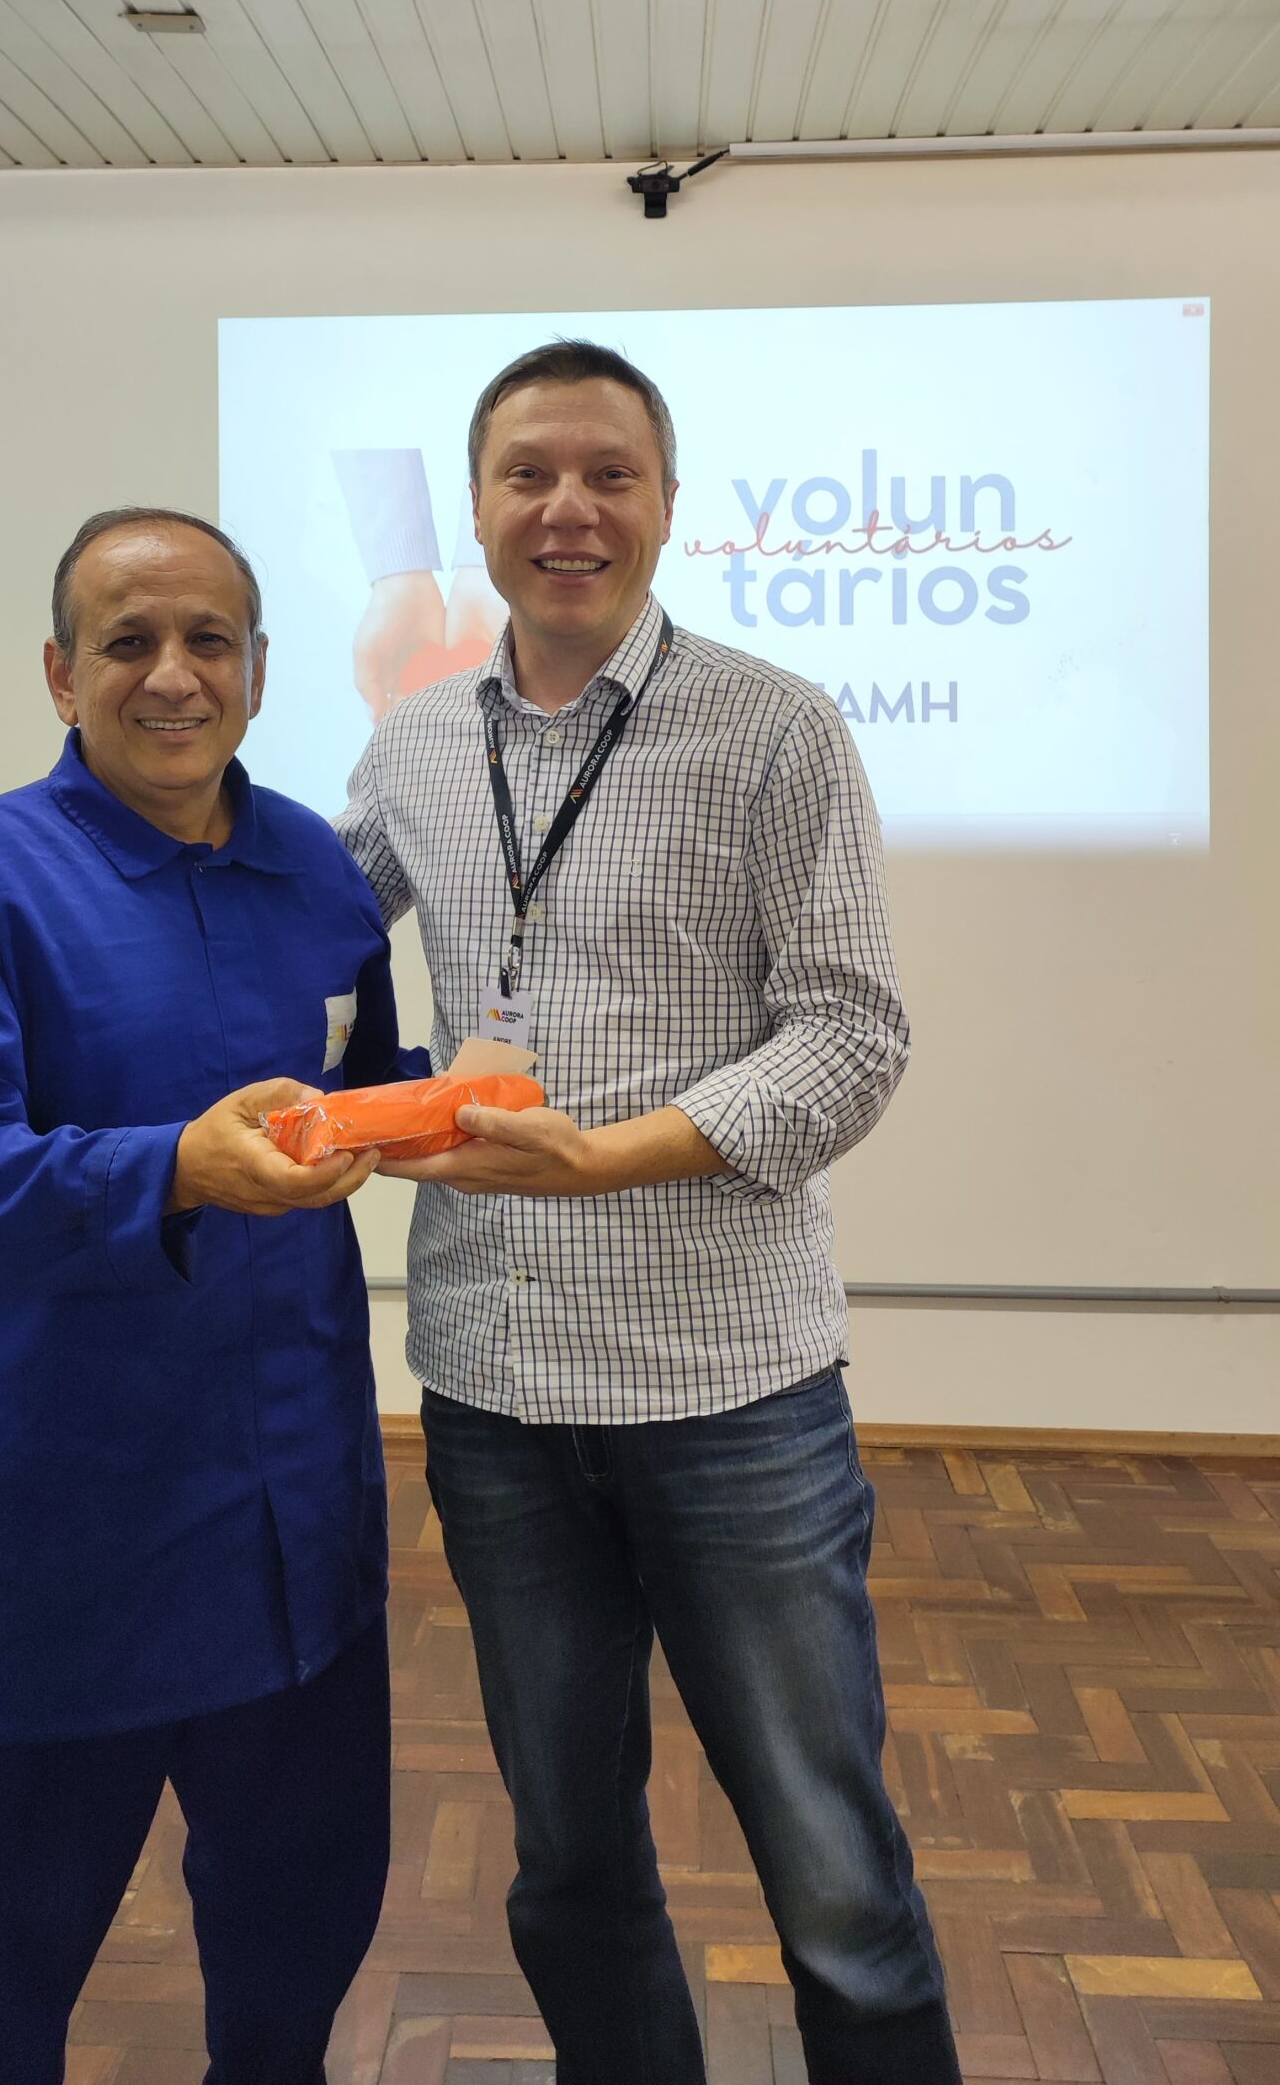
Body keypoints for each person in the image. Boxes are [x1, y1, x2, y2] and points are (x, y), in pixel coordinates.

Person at [339, 344, 961, 2084]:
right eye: (530, 473)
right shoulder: (411, 745)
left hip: (731, 1394)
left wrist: (607, 1159)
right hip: (495, 1392)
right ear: (476, 509)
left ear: (670, 505)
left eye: (610, 474)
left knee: (837, 1882)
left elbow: (851, 1034)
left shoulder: (774, 728)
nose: (570, 509)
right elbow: (295, 943)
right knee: (568, 1864)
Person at [0, 508, 417, 2085]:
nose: (174, 676)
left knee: (295, 1963)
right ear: (60, 674)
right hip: (63, 1557)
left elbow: (362, 1088)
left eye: (209, 641)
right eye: (129, 642)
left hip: (298, 1554)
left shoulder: (316, 870)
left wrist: (466, 1103)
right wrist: (171, 1169)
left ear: (260, 671)